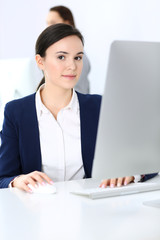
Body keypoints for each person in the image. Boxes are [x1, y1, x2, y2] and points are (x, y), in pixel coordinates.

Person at [0, 24, 156, 192]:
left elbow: (148, 159)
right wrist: (17, 180)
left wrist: (133, 174)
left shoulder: (99, 107)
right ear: (40, 61)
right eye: (61, 57)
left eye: (78, 57)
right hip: (36, 210)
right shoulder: (16, 112)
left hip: (90, 209)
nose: (72, 66)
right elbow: (3, 177)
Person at [37, 5, 90, 94]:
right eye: (47, 23)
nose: (48, 28)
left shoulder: (80, 60)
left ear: (67, 23)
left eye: (52, 23)